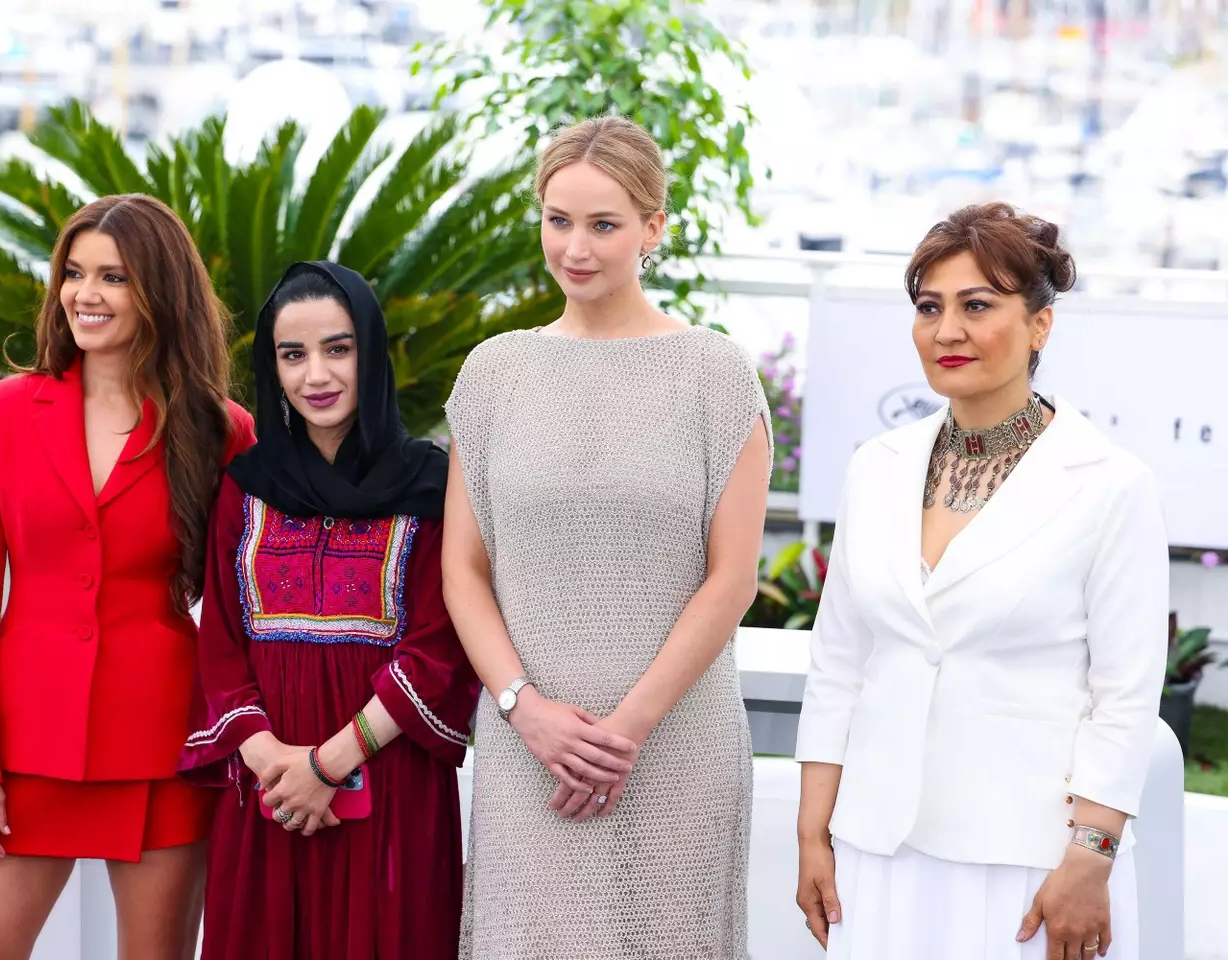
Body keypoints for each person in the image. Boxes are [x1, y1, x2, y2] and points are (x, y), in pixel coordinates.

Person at [795, 203, 1168, 960]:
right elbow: (839, 664)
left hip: (1031, 864)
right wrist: (812, 831)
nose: (947, 331)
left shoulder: (1110, 484)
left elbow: (1124, 696)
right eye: (929, 307)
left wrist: (1090, 859)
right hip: (876, 850)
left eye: (978, 305)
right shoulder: (878, 467)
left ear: (1040, 325)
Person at [444, 115, 774, 959]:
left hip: (678, 749)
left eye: (603, 224)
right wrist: (527, 712)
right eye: (559, 221)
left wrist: (625, 730)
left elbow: (732, 579)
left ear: (653, 227)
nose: (576, 248)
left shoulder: (715, 375)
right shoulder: (493, 374)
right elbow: (464, 572)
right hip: (529, 756)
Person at [0, 194, 255, 960]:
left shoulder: (219, 429)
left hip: (164, 749)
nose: (86, 294)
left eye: (113, 277)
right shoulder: (1, 413)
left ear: (160, 289)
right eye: (74, 274)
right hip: (22, 756)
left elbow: (244, 604)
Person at [178, 261, 478, 960]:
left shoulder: (434, 487)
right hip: (270, 793)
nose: (316, 374)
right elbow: (220, 643)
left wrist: (329, 765)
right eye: (293, 354)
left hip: (391, 794)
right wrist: (278, 767)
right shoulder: (245, 488)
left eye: (337, 349)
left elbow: (438, 650)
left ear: (369, 353)